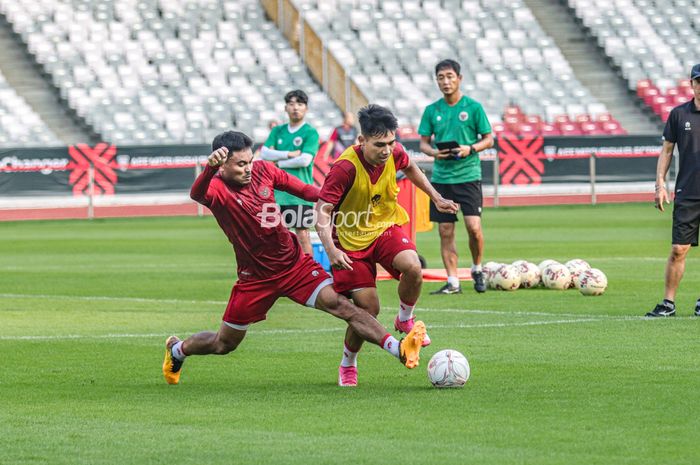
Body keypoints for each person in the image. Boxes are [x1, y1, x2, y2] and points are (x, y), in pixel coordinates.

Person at [162, 131, 426, 386]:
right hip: (255, 279)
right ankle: (178, 350)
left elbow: (306, 191)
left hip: (294, 266)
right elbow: (197, 194)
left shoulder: (264, 170)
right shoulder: (216, 188)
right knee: (224, 344)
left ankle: (399, 349)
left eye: (250, 161)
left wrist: (335, 200)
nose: (248, 168)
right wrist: (208, 169)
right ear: (222, 165)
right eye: (241, 164)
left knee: (343, 306)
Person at [316, 104, 459, 386]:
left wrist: (436, 197)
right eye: (379, 144)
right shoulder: (344, 168)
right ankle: (348, 363)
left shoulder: (394, 152)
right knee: (367, 310)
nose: (386, 150)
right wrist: (331, 250)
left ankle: (405, 320)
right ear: (362, 141)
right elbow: (322, 210)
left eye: (391, 143)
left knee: (413, 267)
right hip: (348, 241)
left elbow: (411, 167)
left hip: (383, 227)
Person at [418, 59, 495, 295]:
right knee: (445, 231)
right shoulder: (432, 110)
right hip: (442, 177)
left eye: (450, 76)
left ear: (459, 79)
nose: (446, 81)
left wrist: (469, 149)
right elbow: (423, 143)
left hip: (468, 174)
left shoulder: (473, 107)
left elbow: (489, 139)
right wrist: (434, 153)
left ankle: (477, 268)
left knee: (474, 228)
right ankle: (453, 282)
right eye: (441, 77)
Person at [646, 63, 700, 317]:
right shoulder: (679, 114)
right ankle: (668, 304)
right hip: (688, 192)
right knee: (679, 249)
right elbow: (667, 150)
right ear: (692, 84)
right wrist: (660, 184)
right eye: (698, 82)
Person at [260, 90, 319, 255]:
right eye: (291, 104)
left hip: (300, 193)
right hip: (277, 194)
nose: (295, 108)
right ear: (285, 107)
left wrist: (278, 162)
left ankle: (310, 275)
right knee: (275, 238)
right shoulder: (278, 131)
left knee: (302, 235)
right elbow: (264, 153)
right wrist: (288, 154)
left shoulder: (310, 132)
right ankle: (281, 275)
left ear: (306, 108)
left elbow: (305, 160)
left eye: (300, 104)